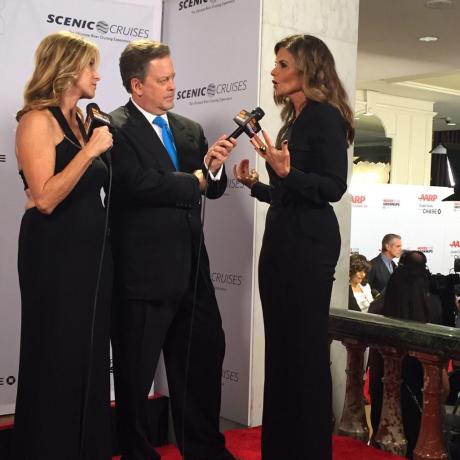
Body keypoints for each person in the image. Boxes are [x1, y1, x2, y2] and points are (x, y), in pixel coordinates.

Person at [109, 40, 237, 460]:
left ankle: (204, 450)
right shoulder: (114, 128)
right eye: (163, 80)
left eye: (173, 77)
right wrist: (195, 180)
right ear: (137, 85)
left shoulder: (188, 129)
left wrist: (213, 169)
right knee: (135, 372)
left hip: (193, 270)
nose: (172, 86)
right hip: (143, 273)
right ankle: (137, 452)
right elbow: (135, 183)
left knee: (201, 361)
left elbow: (211, 189)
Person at [234, 34, 353, 460]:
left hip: (308, 247)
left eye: (282, 64)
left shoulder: (325, 117)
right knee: (282, 351)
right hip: (282, 242)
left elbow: (333, 187)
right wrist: (257, 185)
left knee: (303, 352)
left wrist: (288, 173)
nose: (274, 71)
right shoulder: (293, 121)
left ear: (308, 68)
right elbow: (290, 195)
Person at [11, 31, 113, 460]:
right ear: (68, 69)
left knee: (87, 354)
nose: (98, 75)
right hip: (54, 255)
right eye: (91, 66)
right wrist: (89, 152)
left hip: (91, 256)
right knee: (56, 353)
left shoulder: (82, 122)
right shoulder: (37, 120)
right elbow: (46, 198)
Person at [368, 251, 445, 459]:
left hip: (385, 383)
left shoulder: (379, 307)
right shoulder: (433, 307)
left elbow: (374, 360)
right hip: (419, 384)